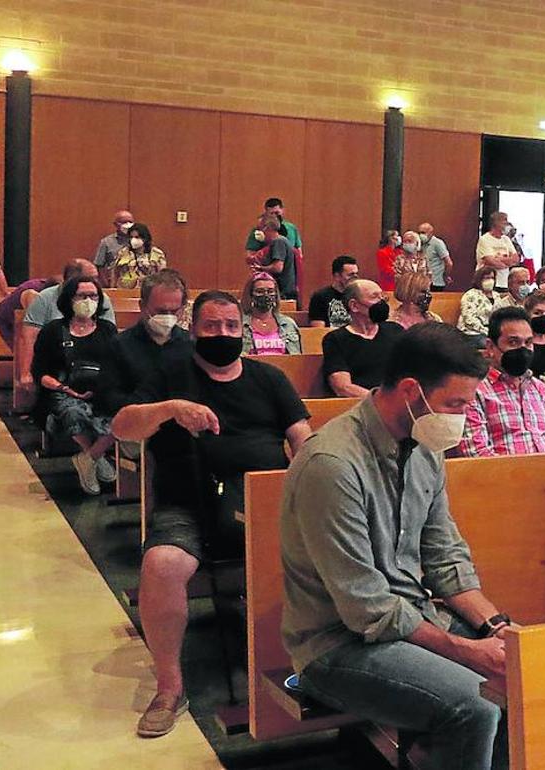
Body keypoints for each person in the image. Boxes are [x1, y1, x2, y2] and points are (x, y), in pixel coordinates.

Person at [281, 323, 509, 769]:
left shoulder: (425, 445)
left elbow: (446, 556)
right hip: (335, 645)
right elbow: (365, 607)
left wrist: (496, 629)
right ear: (410, 391)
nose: (462, 416)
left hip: (409, 616)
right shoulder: (332, 464)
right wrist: (465, 650)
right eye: (456, 403)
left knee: (519, 676)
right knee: (474, 706)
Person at [112, 290, 311, 737]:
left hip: (263, 504)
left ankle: (313, 667)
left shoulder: (268, 379)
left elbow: (302, 436)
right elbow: (121, 426)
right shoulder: (170, 374)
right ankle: (169, 686)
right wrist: (169, 410)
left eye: (230, 327)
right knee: (162, 565)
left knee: (326, 551)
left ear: (242, 330)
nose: (222, 335)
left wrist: (302, 479)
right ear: (193, 328)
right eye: (211, 327)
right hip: (188, 505)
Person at [31, 276, 122, 495]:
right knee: (73, 412)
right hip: (62, 392)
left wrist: (100, 389)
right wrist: (67, 390)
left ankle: (88, 459)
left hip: (100, 390)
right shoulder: (53, 330)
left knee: (121, 414)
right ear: (70, 299)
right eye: (82, 296)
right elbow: (40, 372)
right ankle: (93, 455)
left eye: (93, 296)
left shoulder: (107, 329)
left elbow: (118, 366)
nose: (88, 300)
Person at [455, 306, 545, 457]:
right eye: (513, 342)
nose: (523, 350)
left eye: (528, 343)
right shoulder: (475, 391)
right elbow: (477, 456)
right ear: (490, 347)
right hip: (502, 477)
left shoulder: (538, 388)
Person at [19, 260, 118, 396]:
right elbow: (30, 337)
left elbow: (112, 344)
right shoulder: (46, 302)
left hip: (97, 380)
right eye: (82, 296)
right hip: (59, 378)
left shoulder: (105, 318)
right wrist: (25, 373)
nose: (97, 281)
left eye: (93, 296)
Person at [322, 280, 403, 397]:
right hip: (363, 405)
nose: (381, 302)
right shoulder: (335, 339)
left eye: (382, 297)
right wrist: (381, 400)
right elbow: (343, 387)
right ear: (354, 306)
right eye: (374, 297)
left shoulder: (395, 330)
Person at [115, 270, 193, 389]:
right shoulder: (118, 346)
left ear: (182, 309)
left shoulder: (192, 346)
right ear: (142, 306)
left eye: (174, 311)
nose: (167, 317)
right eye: (161, 311)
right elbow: (110, 399)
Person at [240, 272, 301, 356]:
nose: (266, 295)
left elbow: (296, 357)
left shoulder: (288, 324)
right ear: (250, 295)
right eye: (260, 291)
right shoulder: (240, 324)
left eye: (270, 291)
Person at [246, 214, 298, 303]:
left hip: (283, 293)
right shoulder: (280, 241)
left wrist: (261, 268)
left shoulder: (278, 242)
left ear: (267, 228)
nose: (258, 231)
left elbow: (277, 268)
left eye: (260, 228)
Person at [307, 255, 359, 328]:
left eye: (356, 274)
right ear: (337, 276)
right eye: (350, 275)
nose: (355, 278)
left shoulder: (359, 296)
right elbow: (318, 330)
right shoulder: (320, 297)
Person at [111, 222, 167, 290]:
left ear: (145, 238)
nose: (133, 240)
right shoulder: (122, 253)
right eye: (131, 237)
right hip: (125, 291)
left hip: (148, 291)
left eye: (137, 237)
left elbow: (162, 276)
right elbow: (115, 272)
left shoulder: (157, 253)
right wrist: (112, 288)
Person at [457, 267, 502, 347]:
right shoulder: (471, 295)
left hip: (490, 332)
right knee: (491, 345)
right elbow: (469, 319)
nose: (490, 280)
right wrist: (485, 330)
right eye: (487, 278)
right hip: (472, 333)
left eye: (492, 278)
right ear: (479, 279)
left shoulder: (496, 295)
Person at [476, 212, 519, 291]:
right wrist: (507, 262)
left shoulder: (506, 239)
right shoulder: (484, 239)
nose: (507, 223)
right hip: (487, 281)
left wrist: (499, 259)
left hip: (503, 282)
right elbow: (490, 261)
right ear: (496, 223)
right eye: (504, 220)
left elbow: (516, 259)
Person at [94, 209, 135, 286]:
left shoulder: (139, 240)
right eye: (124, 222)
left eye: (130, 222)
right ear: (115, 224)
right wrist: (107, 285)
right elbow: (99, 266)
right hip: (115, 283)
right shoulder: (106, 242)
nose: (128, 225)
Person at [415, 222, 454, 290]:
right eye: (419, 233)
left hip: (436, 282)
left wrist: (446, 275)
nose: (421, 235)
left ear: (430, 233)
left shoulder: (437, 243)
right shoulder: (421, 244)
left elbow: (449, 263)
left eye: (423, 232)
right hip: (423, 282)